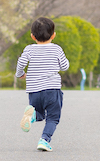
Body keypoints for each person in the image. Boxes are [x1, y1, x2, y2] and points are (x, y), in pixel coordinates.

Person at [16, 17, 70, 152]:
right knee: (53, 117)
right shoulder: (57, 49)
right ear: (53, 35)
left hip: (34, 90)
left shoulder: (29, 49)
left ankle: (33, 115)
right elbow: (64, 66)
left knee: (39, 111)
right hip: (52, 90)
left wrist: (20, 74)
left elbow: (21, 63)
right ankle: (44, 140)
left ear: (32, 36)